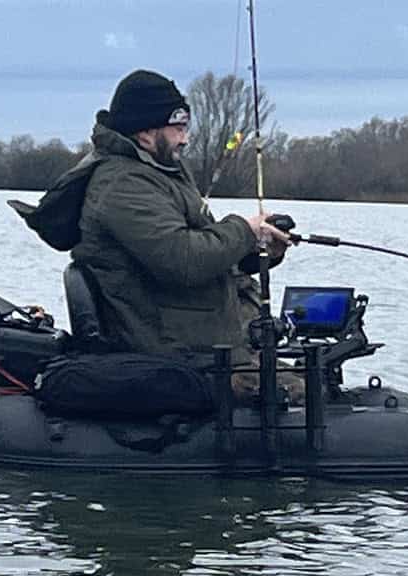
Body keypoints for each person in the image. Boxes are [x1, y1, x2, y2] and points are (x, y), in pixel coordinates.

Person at [68, 69, 292, 389]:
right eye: (177, 128)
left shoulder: (162, 172)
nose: (185, 138)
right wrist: (244, 229)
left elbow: (208, 250)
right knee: (303, 395)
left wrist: (256, 252)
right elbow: (183, 259)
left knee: (320, 382)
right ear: (145, 133)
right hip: (172, 356)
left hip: (207, 348)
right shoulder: (123, 184)